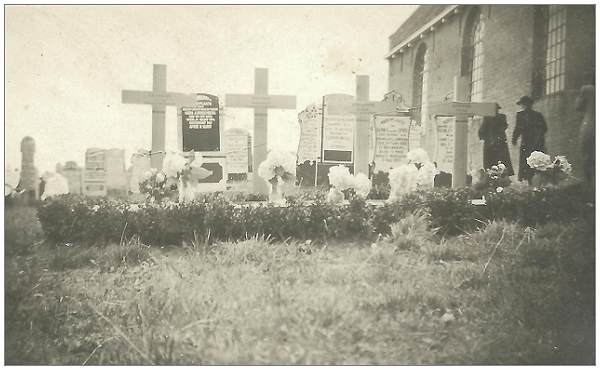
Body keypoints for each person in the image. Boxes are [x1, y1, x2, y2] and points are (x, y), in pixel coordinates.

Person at [512, 96, 548, 184]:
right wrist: (514, 138)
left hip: (536, 142)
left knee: (537, 163)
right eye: (523, 104)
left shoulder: (538, 115)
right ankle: (528, 182)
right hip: (526, 142)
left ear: (530, 104)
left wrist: (538, 134)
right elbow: (517, 128)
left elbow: (544, 128)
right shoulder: (520, 115)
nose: (525, 106)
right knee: (525, 163)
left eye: (527, 104)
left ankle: (538, 182)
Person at [479, 104, 514, 176]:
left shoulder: (502, 117)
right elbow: (482, 130)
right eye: (494, 109)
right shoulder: (487, 118)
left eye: (496, 109)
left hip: (499, 143)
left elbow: (504, 126)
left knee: (501, 162)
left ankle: (502, 177)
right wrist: (487, 138)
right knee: (490, 162)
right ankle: (491, 177)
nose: (495, 111)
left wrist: (496, 137)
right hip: (491, 143)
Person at [576, 72, 595, 185]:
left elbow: (578, 106)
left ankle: (589, 183)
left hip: (590, 125)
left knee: (587, 154)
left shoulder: (587, 89)